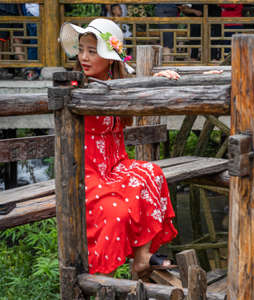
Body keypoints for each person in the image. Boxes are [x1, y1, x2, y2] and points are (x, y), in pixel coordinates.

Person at [59, 18, 180, 277]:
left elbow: (135, 87)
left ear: (110, 58)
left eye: (92, 51)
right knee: (118, 211)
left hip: (116, 166)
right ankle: (104, 277)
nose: (84, 57)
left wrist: (155, 80)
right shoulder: (75, 86)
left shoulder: (120, 85)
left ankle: (142, 256)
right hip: (85, 172)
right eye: (81, 50)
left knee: (153, 173)